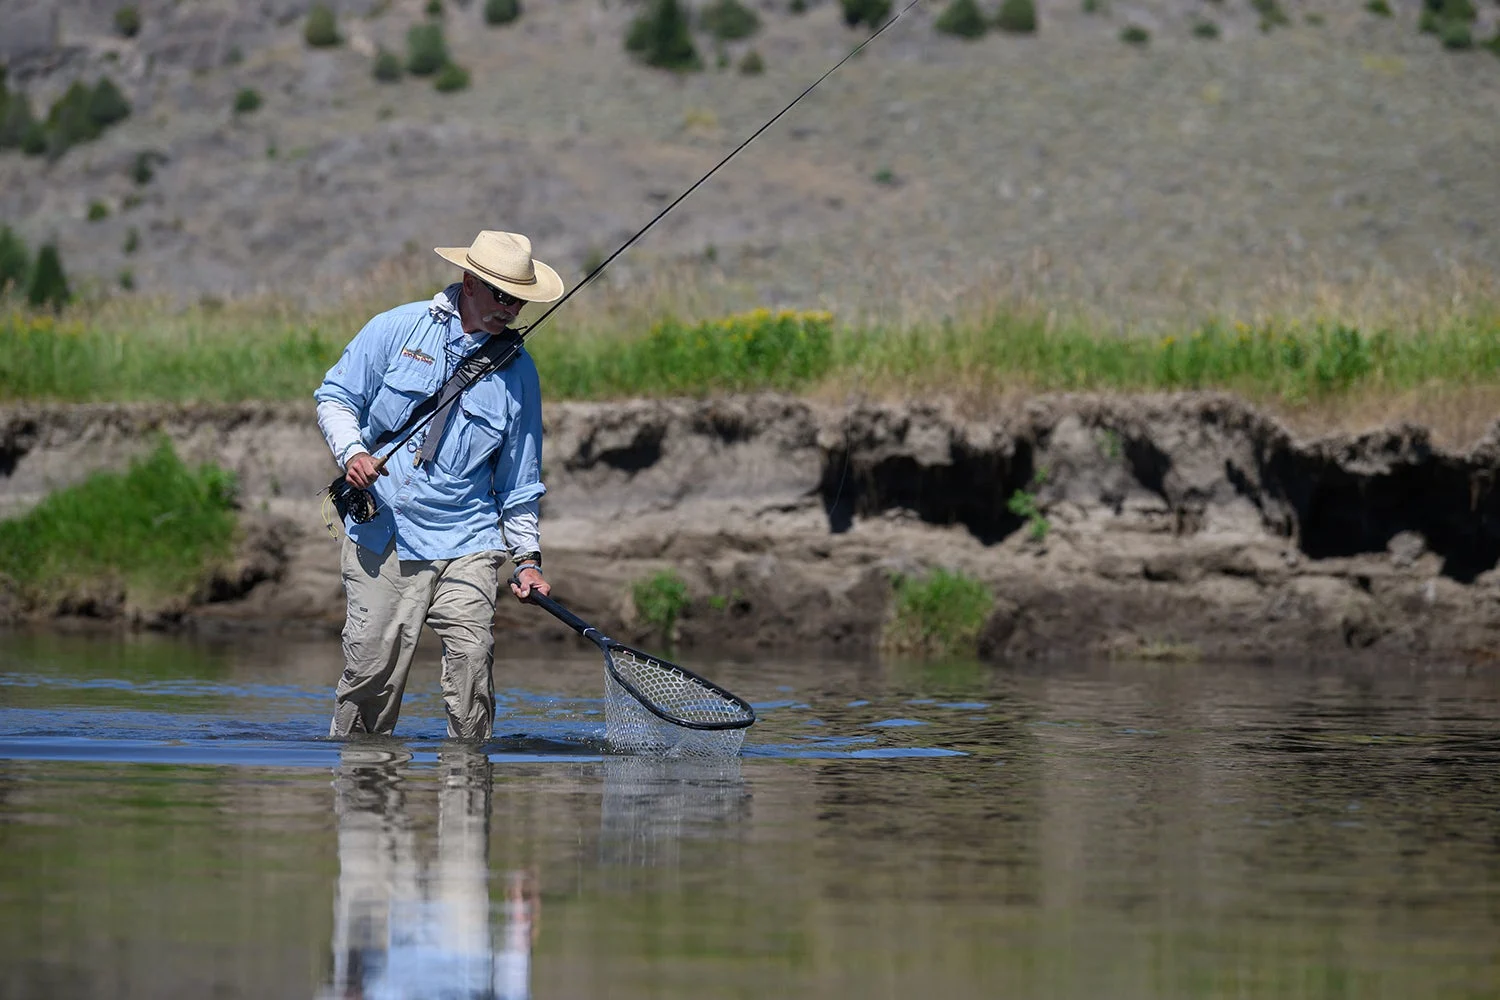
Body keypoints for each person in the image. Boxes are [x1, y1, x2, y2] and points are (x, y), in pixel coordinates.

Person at [314, 230, 562, 740]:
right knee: (370, 677)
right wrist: (353, 453)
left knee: (473, 664)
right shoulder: (396, 328)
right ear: (469, 281)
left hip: (468, 539)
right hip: (384, 532)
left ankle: (469, 790)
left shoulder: (520, 374)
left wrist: (528, 561)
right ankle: (363, 790)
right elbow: (335, 396)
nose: (511, 308)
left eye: (520, 299)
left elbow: (519, 483)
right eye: (501, 295)